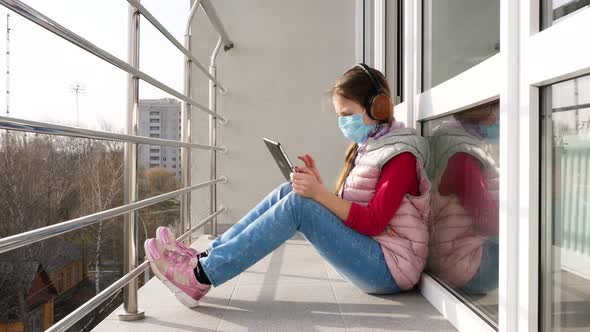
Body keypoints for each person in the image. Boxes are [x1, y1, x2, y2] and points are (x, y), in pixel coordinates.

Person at [144, 63, 431, 308]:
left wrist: (318, 196)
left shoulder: (401, 155)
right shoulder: (373, 146)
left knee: (298, 205)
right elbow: (359, 214)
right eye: (339, 116)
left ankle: (199, 277)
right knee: (290, 192)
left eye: (347, 114)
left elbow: (373, 222)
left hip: (390, 269)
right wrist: (318, 190)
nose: (342, 123)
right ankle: (204, 257)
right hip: (373, 255)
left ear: (377, 107)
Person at [427, 104, 500, 295]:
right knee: (535, 241)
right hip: (465, 266)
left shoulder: (443, 140)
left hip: (442, 257)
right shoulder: (463, 155)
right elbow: (490, 223)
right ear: (489, 113)